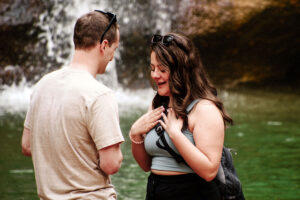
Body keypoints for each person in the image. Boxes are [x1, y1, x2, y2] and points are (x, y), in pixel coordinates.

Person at [21, 10, 124, 199]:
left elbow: (27, 146)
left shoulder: (42, 85)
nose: (112, 57)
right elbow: (111, 164)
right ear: (104, 45)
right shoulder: (99, 95)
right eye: (114, 49)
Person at [129, 33, 234, 200]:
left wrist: (176, 135)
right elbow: (146, 165)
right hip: (156, 190)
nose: (155, 75)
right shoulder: (157, 105)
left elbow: (209, 171)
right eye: (152, 68)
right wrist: (135, 135)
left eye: (162, 69)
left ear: (181, 71)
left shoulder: (204, 110)